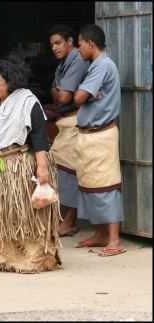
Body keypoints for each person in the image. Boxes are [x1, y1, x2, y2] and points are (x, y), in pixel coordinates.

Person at [0, 56, 62, 273]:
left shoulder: (27, 103)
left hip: (20, 167)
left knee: (24, 215)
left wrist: (42, 167)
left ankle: (30, 259)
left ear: (11, 81)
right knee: (0, 216)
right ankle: (2, 257)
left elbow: (39, 137)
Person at [73, 24, 126, 256]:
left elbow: (77, 97)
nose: (78, 48)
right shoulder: (97, 65)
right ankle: (100, 234)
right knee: (91, 185)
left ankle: (114, 240)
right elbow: (84, 96)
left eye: (80, 44)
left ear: (91, 43)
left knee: (107, 185)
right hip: (91, 136)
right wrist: (88, 94)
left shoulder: (102, 65)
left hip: (101, 136)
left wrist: (85, 93)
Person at [48, 25, 90, 237]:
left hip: (76, 121)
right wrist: (57, 91)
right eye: (52, 45)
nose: (55, 48)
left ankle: (70, 221)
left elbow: (63, 96)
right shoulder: (62, 64)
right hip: (65, 122)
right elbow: (57, 91)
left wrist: (56, 91)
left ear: (70, 42)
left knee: (70, 170)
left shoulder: (77, 60)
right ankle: (65, 218)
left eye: (58, 43)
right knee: (60, 167)